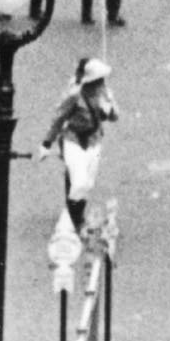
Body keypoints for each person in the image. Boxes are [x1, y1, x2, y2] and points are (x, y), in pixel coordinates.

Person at [40, 57, 118, 228]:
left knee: (87, 183)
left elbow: (114, 117)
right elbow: (59, 118)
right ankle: (75, 219)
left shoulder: (104, 93)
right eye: (98, 80)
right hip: (73, 139)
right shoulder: (75, 95)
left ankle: (76, 212)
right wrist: (46, 143)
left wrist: (109, 107)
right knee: (80, 182)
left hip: (94, 140)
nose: (101, 83)